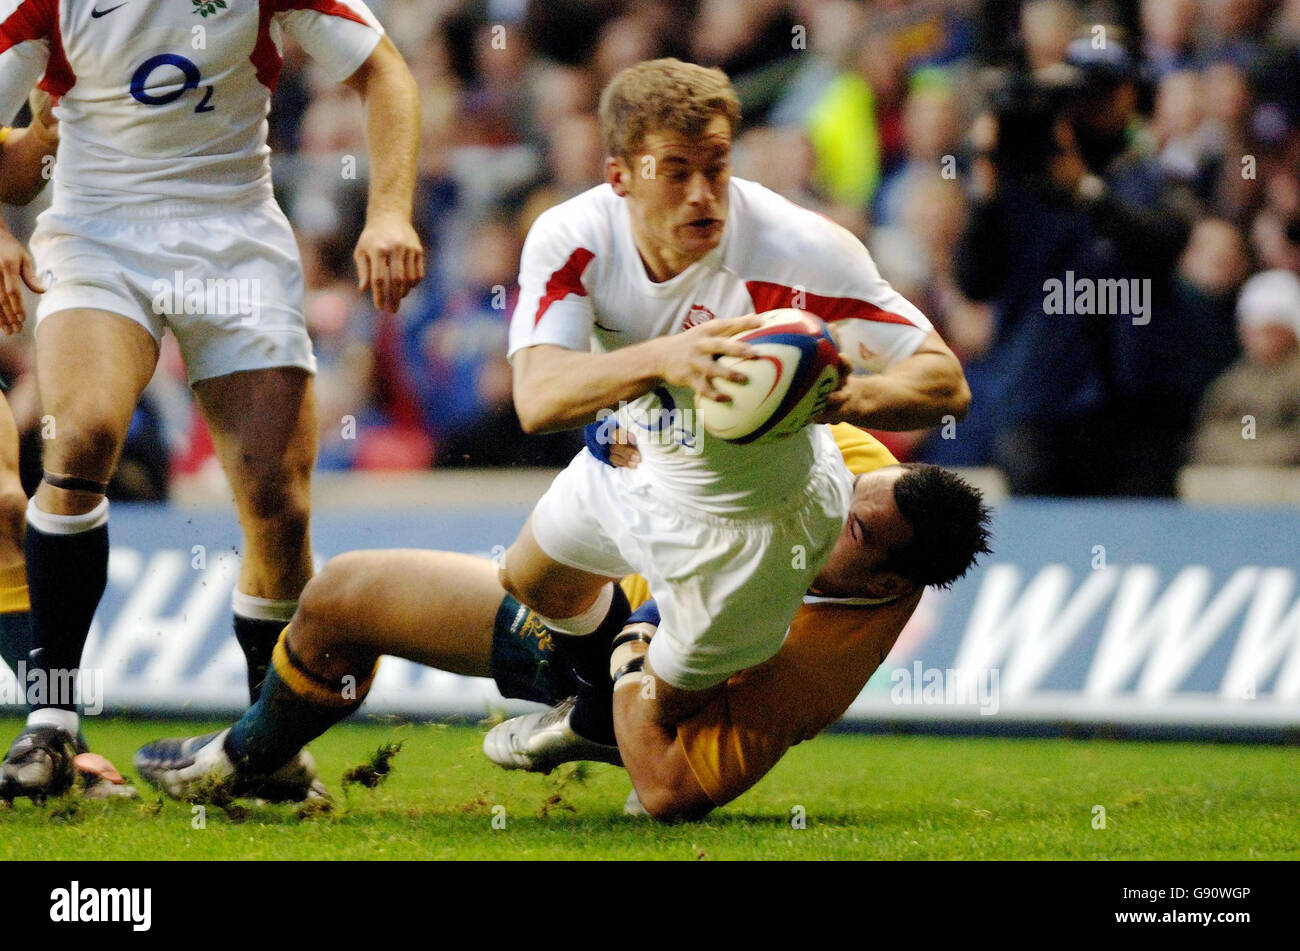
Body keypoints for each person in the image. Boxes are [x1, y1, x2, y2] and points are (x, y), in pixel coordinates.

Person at [493, 58, 968, 811]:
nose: (702, 194)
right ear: (620, 176)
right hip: (646, 455)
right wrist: (663, 363)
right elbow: (537, 396)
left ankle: (621, 704)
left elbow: (947, 383)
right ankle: (593, 715)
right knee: (529, 580)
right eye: (675, 171)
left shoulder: (800, 251)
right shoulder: (572, 236)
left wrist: (852, 394)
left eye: (716, 167)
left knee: (667, 719)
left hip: (755, 528)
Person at [133, 424, 992, 821]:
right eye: (861, 485)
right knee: (338, 599)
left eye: (857, 527)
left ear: (884, 575)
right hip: (599, 588)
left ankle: (227, 765)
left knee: (634, 667)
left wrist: (632, 650)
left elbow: (668, 789)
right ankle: (267, 759)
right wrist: (646, 430)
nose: (841, 497)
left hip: (640, 673)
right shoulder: (859, 470)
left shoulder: (817, 666)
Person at [0, 0, 423, 802]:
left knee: (278, 501)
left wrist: (391, 211)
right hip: (97, 232)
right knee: (82, 435)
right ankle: (51, 722)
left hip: (234, 236)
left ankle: (267, 748)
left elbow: (385, 73)